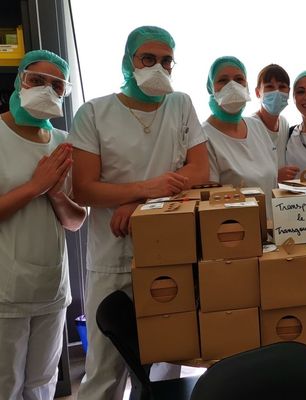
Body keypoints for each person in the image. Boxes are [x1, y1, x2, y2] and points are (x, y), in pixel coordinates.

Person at [70, 26, 209, 400]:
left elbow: (200, 171)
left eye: (167, 60)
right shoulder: (94, 112)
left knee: (165, 368)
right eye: (148, 58)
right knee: (105, 371)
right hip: (113, 256)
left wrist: (141, 205)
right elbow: (83, 188)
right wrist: (146, 189)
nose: (158, 67)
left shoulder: (180, 104)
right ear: (128, 61)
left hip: (170, 254)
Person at [0, 50, 86, 399]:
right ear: (19, 80)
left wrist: (54, 193)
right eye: (36, 80)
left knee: (42, 383)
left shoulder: (63, 142)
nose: (46, 89)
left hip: (51, 287)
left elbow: (76, 220)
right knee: (6, 384)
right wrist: (35, 187)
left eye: (56, 85)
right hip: (6, 292)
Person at [204, 56, 278, 216]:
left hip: (273, 231)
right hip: (235, 233)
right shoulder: (204, 137)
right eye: (223, 81)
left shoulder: (257, 126)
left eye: (239, 79)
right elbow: (211, 205)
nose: (232, 86)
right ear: (211, 88)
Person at [251, 63, 300, 182]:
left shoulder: (283, 123)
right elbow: (246, 174)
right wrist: (275, 176)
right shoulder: (249, 127)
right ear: (258, 92)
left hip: (281, 196)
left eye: (282, 87)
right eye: (269, 87)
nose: (277, 92)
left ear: (288, 92)